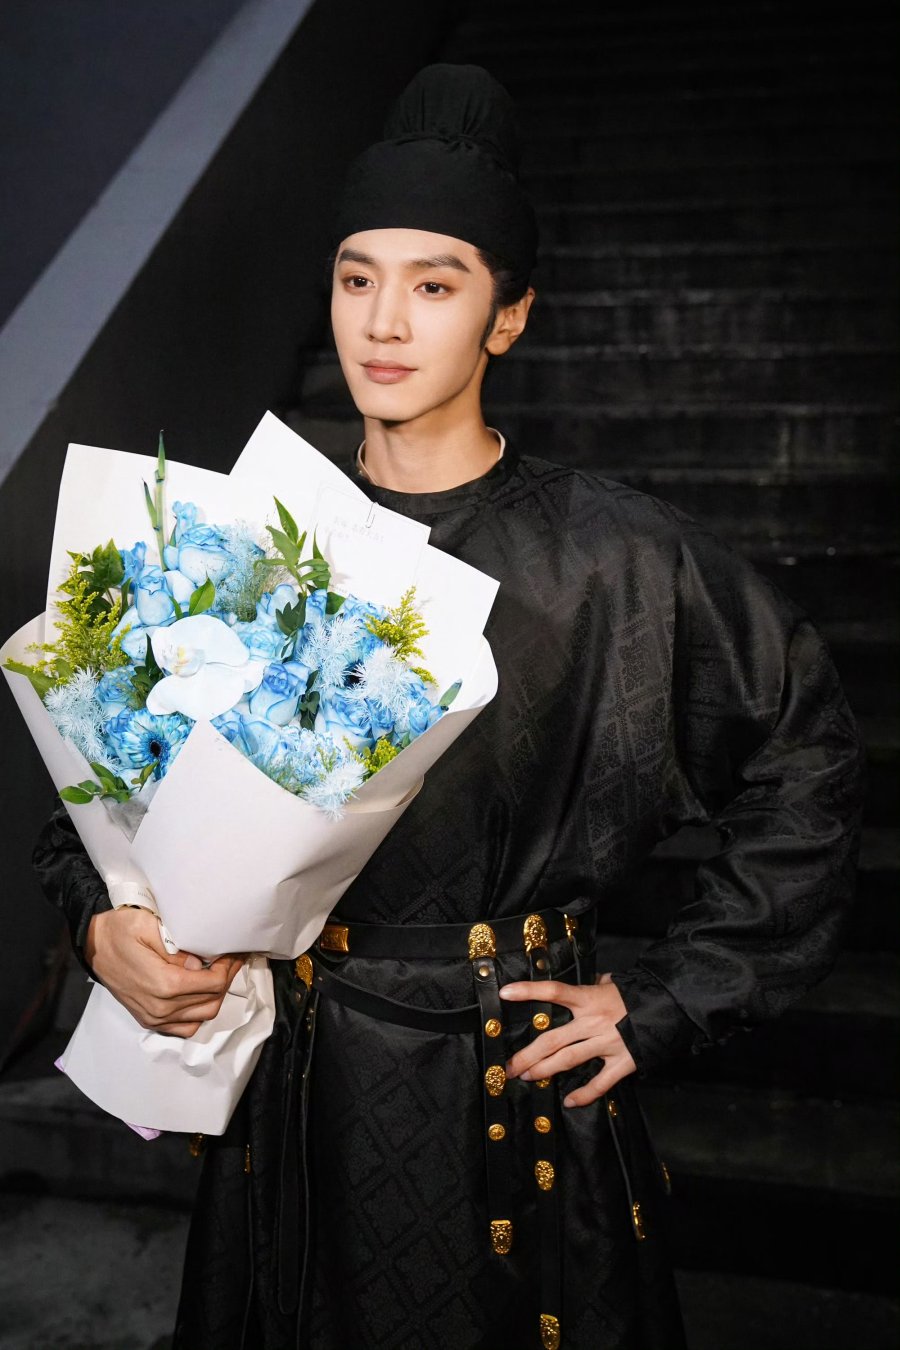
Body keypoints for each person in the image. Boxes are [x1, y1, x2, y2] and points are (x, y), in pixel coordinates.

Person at [33, 66, 864, 1350]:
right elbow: (106, 795)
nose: (383, 321)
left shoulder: (613, 558)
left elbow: (807, 758)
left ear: (507, 317)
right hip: (288, 1085)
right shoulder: (246, 542)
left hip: (502, 1087)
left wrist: (674, 994)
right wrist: (105, 928)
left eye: (436, 284)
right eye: (356, 278)